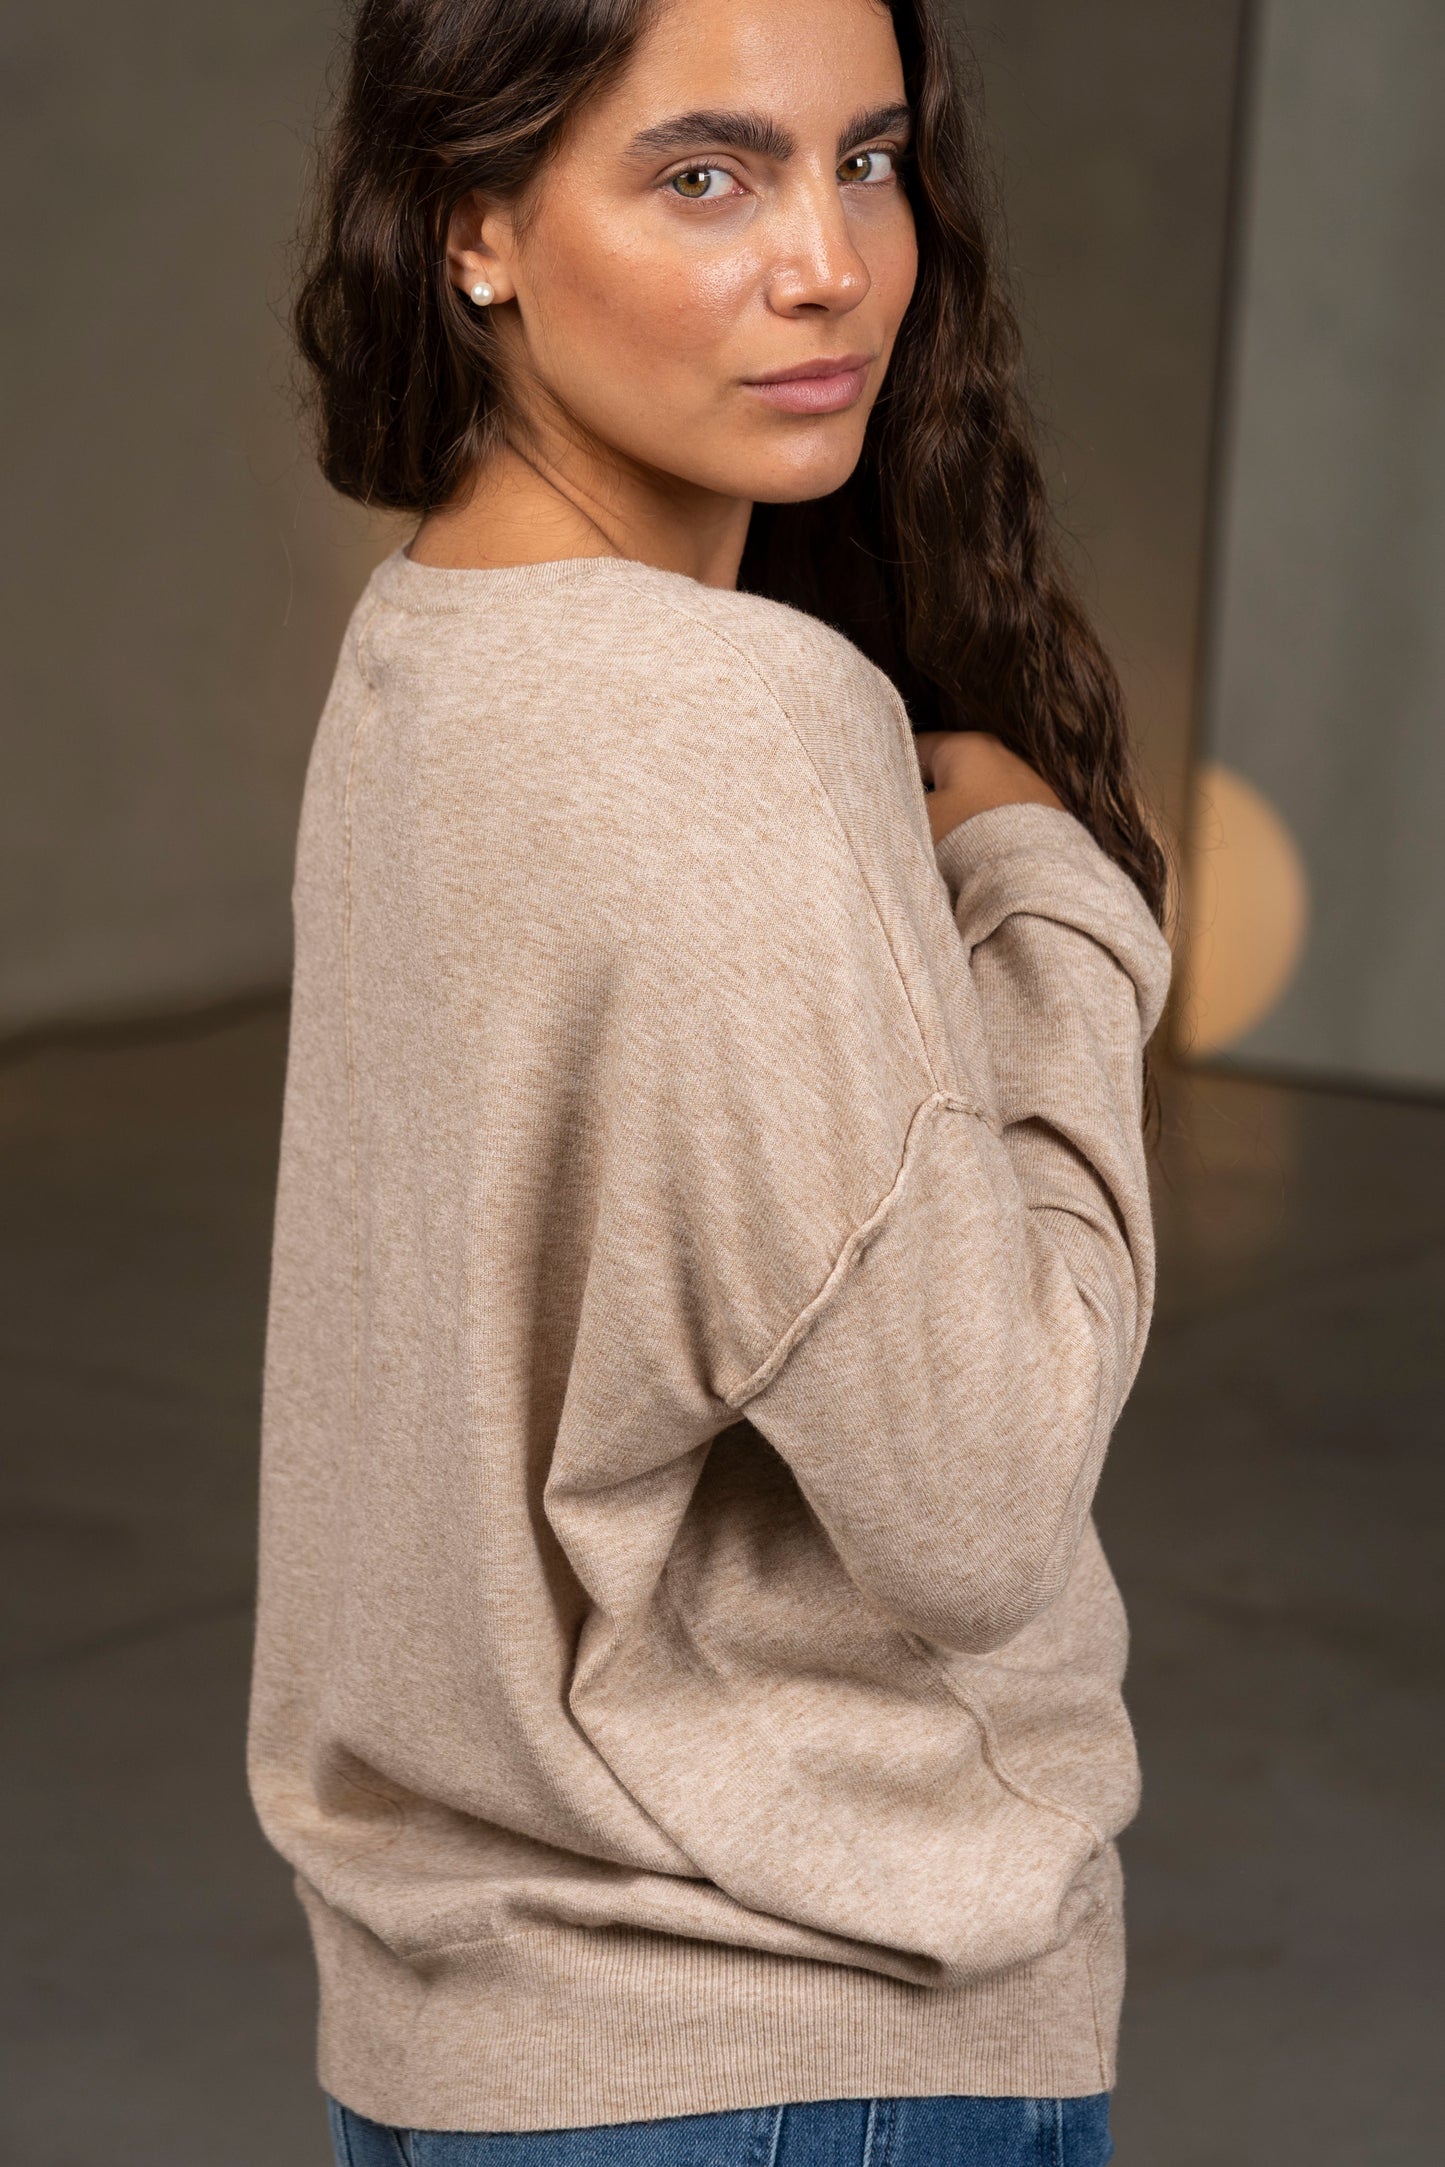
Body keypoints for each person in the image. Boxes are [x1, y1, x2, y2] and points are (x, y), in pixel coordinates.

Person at [246, 0, 1173, 2161]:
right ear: (475, 222)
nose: (830, 265)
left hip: (475, 2041)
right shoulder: (727, 723)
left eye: (868, 161)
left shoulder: (429, 640)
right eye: (705, 176)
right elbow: (979, 1506)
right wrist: (1047, 911)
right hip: (783, 2041)